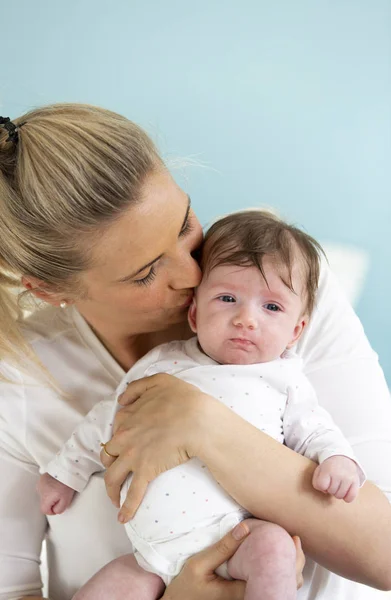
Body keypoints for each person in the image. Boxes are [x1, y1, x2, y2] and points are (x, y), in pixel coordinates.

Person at [0, 104, 391, 600]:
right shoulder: (18, 382)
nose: (194, 276)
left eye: (186, 224)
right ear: (50, 291)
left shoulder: (280, 288)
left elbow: (387, 555)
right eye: (145, 272)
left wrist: (201, 422)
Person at [37, 209, 365, 600]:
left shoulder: (286, 380)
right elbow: (108, 418)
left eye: (271, 307)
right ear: (194, 313)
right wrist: (65, 472)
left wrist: (338, 460)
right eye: (228, 298)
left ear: (296, 331)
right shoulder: (164, 364)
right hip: (150, 555)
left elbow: (315, 429)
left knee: (275, 550)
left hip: (237, 532)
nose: (246, 319)